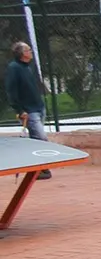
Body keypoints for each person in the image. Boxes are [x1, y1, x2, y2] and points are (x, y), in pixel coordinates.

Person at [6, 42, 51, 179]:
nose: (31, 52)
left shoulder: (28, 67)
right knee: (40, 137)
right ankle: (41, 169)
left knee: (37, 139)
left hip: (38, 106)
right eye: (28, 50)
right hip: (28, 110)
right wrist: (20, 110)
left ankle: (39, 169)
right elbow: (11, 91)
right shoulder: (14, 68)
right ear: (21, 53)